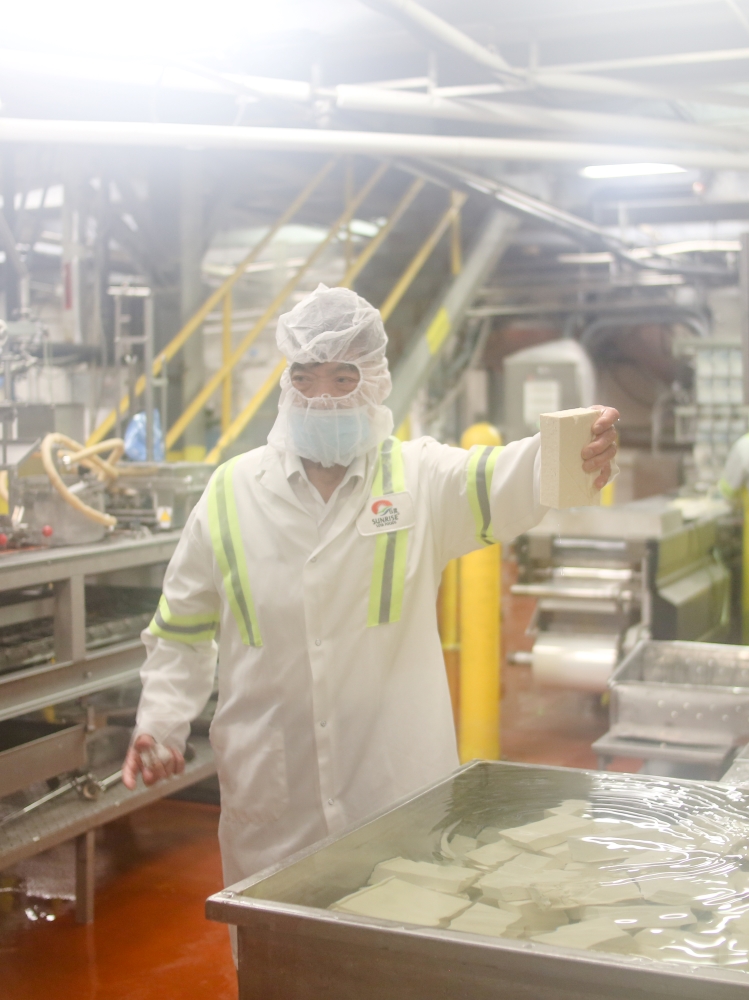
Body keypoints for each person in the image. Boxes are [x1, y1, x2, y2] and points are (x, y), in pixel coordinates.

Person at [123, 283, 619, 906]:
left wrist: (571, 454)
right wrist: (161, 724)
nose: (322, 397)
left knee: (402, 959)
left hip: (396, 798)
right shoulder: (232, 492)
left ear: (376, 380)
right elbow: (182, 627)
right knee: (280, 966)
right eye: (305, 378)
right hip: (275, 806)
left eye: (342, 377)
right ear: (286, 383)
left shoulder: (420, 478)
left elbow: (504, 476)